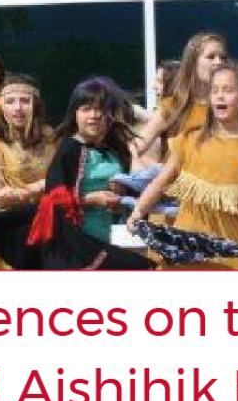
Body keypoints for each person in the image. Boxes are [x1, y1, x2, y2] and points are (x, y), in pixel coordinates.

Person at [125, 62, 238, 269]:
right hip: (188, 257)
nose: (219, 96)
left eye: (228, 90)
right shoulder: (189, 140)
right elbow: (160, 183)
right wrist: (138, 212)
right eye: (214, 91)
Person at [27, 77, 153, 269]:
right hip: (74, 246)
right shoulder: (69, 149)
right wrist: (91, 199)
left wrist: (120, 192)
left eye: (101, 109)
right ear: (74, 114)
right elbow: (54, 203)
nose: (94, 115)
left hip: (102, 237)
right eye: (86, 109)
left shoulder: (114, 150)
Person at [0, 74, 58, 268]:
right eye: (11, 101)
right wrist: (40, 186)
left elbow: (61, 185)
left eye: (25, 101)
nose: (18, 108)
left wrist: (21, 192)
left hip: (48, 228)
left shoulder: (52, 139)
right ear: (2, 106)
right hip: (8, 230)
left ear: (36, 105)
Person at [133, 32, 229, 166]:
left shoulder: (232, 104)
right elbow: (136, 146)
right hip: (180, 182)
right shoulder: (174, 105)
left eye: (223, 58)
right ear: (193, 63)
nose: (219, 62)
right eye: (211, 57)